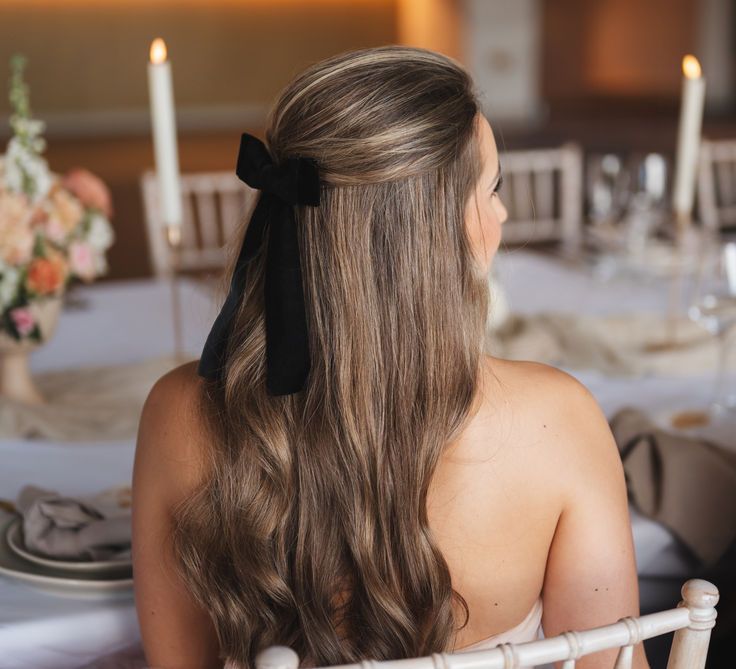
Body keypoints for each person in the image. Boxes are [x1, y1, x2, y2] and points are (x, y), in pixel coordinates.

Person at [132, 46, 649, 669]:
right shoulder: (560, 422)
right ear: (436, 234)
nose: (503, 213)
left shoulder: (178, 411)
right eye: (492, 189)